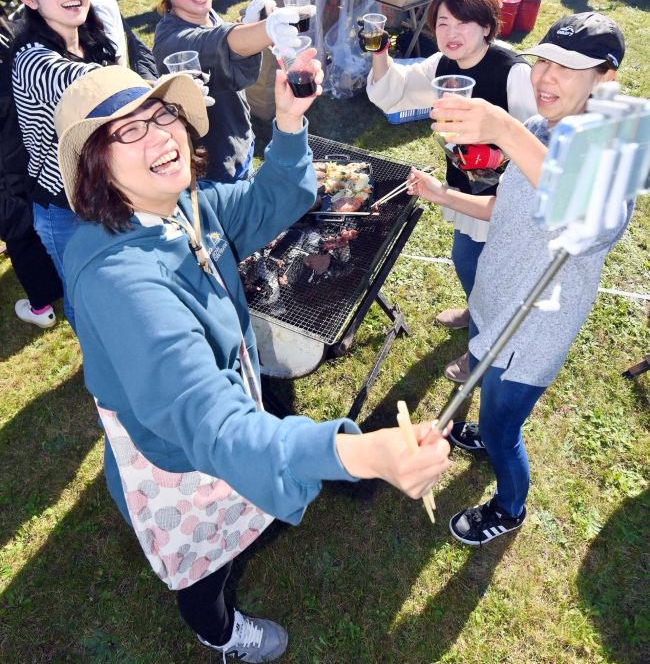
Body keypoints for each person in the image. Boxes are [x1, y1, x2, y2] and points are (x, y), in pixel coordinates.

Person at [53, 61, 451, 659]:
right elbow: (210, 422)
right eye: (128, 130)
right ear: (95, 165)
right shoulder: (120, 282)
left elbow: (272, 199)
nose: (161, 134)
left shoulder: (182, 205)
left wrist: (289, 124)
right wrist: (355, 452)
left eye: (162, 114)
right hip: (179, 462)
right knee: (201, 565)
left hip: (221, 426)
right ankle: (217, 631)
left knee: (237, 529)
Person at [407, 12, 632, 545]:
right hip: (496, 298)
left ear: (606, 79)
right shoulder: (538, 129)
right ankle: (485, 434)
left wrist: (503, 127)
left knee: (505, 430)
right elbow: (505, 205)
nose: (546, 77)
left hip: (532, 332)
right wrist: (444, 195)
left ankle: (509, 506)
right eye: (544, 61)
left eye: (568, 67)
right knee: (491, 408)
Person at [365, 0, 536, 381]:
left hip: (503, 200)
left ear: (487, 28)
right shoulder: (441, 65)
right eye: (443, 23)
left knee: (490, 278)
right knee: (466, 260)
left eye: (464, 23)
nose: (452, 33)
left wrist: (500, 149)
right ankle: (474, 309)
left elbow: (537, 143)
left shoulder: (513, 74)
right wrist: (380, 52)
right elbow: (394, 93)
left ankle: (483, 355)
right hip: (464, 189)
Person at [10, 0, 119, 324]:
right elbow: (83, 85)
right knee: (85, 301)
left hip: (109, 191)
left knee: (121, 288)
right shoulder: (32, 59)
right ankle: (102, 379)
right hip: (66, 208)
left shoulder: (90, 40)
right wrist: (163, 86)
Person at [149, 0, 302, 183]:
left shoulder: (208, 16)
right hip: (213, 169)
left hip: (242, 143)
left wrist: (246, 24)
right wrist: (266, 30)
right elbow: (210, 43)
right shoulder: (169, 42)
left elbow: (224, 40)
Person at [0, 0, 63, 328]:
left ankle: (41, 305)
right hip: (29, 149)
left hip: (11, 161)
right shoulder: (15, 36)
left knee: (19, 231)